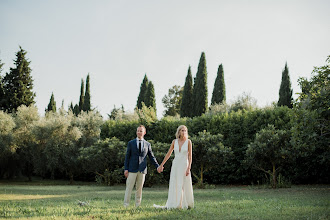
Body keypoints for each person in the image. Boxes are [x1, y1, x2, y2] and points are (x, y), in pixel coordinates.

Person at [154, 125, 194, 209]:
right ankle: (175, 203)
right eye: (182, 130)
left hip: (184, 165)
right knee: (175, 183)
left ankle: (183, 204)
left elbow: (190, 156)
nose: (183, 132)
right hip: (175, 165)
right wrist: (161, 165)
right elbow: (168, 154)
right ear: (178, 132)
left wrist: (188, 168)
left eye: (185, 131)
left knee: (183, 184)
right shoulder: (174, 142)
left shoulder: (188, 142)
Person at [124, 125, 160, 208]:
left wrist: (157, 166)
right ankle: (126, 205)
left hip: (142, 170)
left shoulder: (147, 144)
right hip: (131, 169)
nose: (139, 132)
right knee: (129, 188)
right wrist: (126, 169)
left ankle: (137, 205)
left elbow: (151, 157)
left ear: (144, 132)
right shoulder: (131, 143)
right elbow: (127, 157)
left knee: (139, 189)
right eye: (138, 131)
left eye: (141, 131)